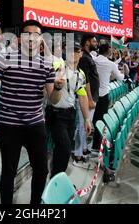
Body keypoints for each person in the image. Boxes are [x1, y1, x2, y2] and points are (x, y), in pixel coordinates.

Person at [0, 20, 65, 204]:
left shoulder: (46, 64)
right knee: (9, 171)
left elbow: (53, 100)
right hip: (9, 125)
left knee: (41, 169)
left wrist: (58, 89)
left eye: (36, 34)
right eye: (27, 34)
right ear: (20, 38)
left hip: (35, 124)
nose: (31, 38)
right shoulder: (5, 57)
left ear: (41, 39)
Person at [48, 42, 92, 176]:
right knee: (65, 148)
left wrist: (86, 119)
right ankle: (57, 178)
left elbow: (82, 96)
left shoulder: (81, 74)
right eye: (70, 51)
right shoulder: (58, 66)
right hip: (55, 114)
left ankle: (57, 177)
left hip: (70, 115)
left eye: (76, 51)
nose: (73, 54)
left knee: (62, 148)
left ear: (81, 54)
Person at [92, 42, 125, 151]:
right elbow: (120, 78)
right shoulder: (111, 64)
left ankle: (82, 147)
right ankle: (96, 146)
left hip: (91, 95)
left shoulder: (93, 60)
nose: (112, 51)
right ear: (107, 51)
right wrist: (125, 72)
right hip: (103, 97)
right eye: (110, 49)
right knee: (100, 121)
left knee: (90, 120)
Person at [77, 34, 100, 154]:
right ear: (87, 42)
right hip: (87, 98)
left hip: (91, 97)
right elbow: (86, 81)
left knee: (86, 126)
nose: (96, 44)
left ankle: (84, 148)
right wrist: (89, 99)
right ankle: (78, 153)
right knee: (82, 125)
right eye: (94, 41)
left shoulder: (88, 56)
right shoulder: (84, 58)